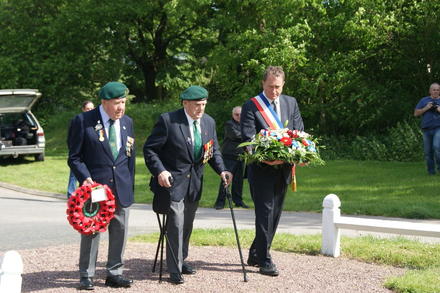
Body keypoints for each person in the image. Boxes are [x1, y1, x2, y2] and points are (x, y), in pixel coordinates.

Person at [143, 85, 232, 285]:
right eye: (197, 105)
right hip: (171, 183)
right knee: (175, 223)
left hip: (194, 184)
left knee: (187, 224)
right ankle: (174, 269)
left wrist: (222, 170)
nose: (201, 109)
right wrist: (160, 171)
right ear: (185, 103)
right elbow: (150, 150)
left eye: (203, 104)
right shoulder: (169, 121)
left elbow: (213, 150)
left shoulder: (208, 122)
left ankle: (181, 259)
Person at [67, 82, 135, 290]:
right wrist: (85, 178)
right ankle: (86, 275)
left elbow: (129, 157)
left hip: (121, 186)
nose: (121, 108)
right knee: (92, 230)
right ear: (104, 102)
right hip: (95, 187)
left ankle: (115, 273)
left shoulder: (127, 122)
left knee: (120, 230)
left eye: (123, 102)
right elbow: (75, 157)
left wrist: (130, 184)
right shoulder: (83, 121)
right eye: (116, 103)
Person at [241, 66, 304, 277]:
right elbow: (248, 138)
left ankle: (255, 252)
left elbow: (298, 131)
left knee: (275, 214)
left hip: (284, 168)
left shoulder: (290, 102)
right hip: (261, 170)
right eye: (270, 87)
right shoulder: (252, 106)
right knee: (265, 213)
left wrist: (300, 154)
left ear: (283, 84)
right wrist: (264, 157)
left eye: (278, 87)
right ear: (263, 84)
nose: (274, 91)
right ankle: (265, 261)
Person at [214, 106, 249, 209]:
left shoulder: (246, 124)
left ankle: (238, 201)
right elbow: (236, 135)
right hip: (229, 156)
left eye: (241, 114)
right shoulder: (229, 124)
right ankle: (220, 202)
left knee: (239, 181)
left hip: (241, 156)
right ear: (232, 115)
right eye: (236, 114)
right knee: (226, 179)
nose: (239, 116)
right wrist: (249, 137)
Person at [66, 100, 95, 198]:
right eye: (88, 109)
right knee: (74, 174)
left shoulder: (95, 122)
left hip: (89, 156)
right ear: (83, 109)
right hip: (78, 154)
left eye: (92, 108)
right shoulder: (77, 120)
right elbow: (71, 138)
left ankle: (84, 195)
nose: (90, 110)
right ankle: (71, 195)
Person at [414, 82, 440, 175]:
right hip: (426, 129)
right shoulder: (424, 100)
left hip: (438, 128)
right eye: (434, 89)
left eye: (437, 90)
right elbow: (416, 113)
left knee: (437, 147)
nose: (436, 91)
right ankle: (431, 172)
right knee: (428, 152)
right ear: (430, 91)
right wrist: (426, 108)